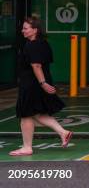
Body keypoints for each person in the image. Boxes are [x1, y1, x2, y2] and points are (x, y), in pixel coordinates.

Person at [9, 17, 72, 156]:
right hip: (37, 82)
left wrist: (43, 83)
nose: (22, 31)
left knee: (26, 114)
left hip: (32, 84)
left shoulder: (33, 45)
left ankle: (27, 147)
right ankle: (63, 132)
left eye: (26, 28)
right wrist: (44, 83)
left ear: (35, 30)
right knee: (36, 113)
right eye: (23, 28)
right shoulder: (42, 43)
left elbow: (36, 65)